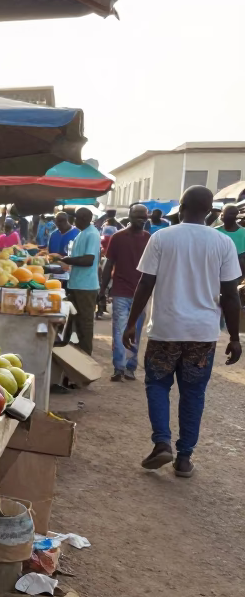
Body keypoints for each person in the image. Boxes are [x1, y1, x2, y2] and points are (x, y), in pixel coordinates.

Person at [122, 186, 242, 477]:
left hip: (166, 329)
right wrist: (235, 338)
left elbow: (145, 284)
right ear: (211, 210)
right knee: (193, 393)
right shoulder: (223, 243)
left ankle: (162, 442)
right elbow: (230, 294)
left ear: (182, 206)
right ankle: (185, 457)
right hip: (202, 334)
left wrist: (131, 322)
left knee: (157, 384)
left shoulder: (162, 238)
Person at [100, 203, 151, 381]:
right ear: (129, 217)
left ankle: (130, 366)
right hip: (121, 291)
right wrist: (102, 290)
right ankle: (119, 367)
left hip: (141, 294)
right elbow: (108, 264)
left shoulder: (149, 239)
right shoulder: (118, 237)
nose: (141, 219)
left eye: (144, 216)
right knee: (120, 330)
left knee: (136, 331)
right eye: (137, 216)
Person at [54, 208, 101, 357]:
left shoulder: (92, 234)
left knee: (85, 324)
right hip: (76, 284)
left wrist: (68, 260)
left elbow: (89, 259)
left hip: (86, 286)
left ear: (84, 218)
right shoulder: (82, 233)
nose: (74, 221)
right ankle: (69, 355)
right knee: (72, 322)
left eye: (76, 218)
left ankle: (86, 356)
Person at [215, 202, 245, 275]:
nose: (221, 215)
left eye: (231, 214)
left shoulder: (243, 232)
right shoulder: (215, 231)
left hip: (237, 271)